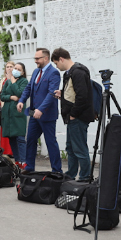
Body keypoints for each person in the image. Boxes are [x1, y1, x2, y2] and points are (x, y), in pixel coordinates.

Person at [50, 48, 96, 183]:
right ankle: (71, 174)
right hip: (72, 117)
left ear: (61, 59)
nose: (57, 67)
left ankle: (85, 177)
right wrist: (62, 94)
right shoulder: (70, 73)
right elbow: (73, 93)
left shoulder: (78, 72)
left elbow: (82, 96)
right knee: (71, 147)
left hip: (78, 117)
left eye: (56, 63)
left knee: (80, 148)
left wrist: (74, 114)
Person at [17, 47, 62, 174]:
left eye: (38, 58)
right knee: (30, 140)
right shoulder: (36, 72)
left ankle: (57, 170)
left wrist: (41, 109)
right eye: (35, 58)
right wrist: (21, 100)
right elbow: (28, 88)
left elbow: (51, 94)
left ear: (46, 58)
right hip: (33, 115)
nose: (36, 61)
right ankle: (29, 167)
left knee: (50, 142)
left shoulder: (54, 73)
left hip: (47, 115)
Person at [0, 62, 28, 164]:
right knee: (11, 138)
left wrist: (14, 83)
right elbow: (2, 96)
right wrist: (11, 97)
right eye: (15, 68)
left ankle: (23, 161)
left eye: (19, 69)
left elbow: (20, 93)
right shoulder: (7, 81)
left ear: (23, 72)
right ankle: (17, 160)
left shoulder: (24, 81)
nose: (15, 70)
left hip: (18, 114)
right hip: (7, 114)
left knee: (20, 138)